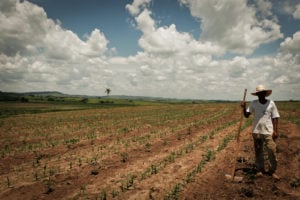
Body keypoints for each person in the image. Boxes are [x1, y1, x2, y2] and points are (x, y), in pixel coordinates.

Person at [241, 85, 280, 180]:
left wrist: (275, 130)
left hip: (268, 132)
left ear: (265, 94)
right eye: (259, 93)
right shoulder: (254, 103)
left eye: (262, 93)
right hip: (257, 131)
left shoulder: (271, 103)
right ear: (257, 95)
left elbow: (275, 117)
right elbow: (246, 115)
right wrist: (244, 106)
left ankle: (272, 171)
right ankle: (260, 170)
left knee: (271, 151)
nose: (261, 95)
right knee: (258, 151)